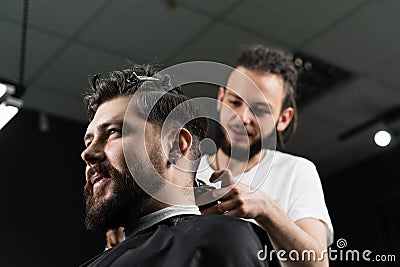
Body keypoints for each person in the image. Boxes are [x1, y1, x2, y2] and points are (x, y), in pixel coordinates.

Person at [80, 64, 280, 266]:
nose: (87, 153)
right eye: (88, 141)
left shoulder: (222, 239)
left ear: (177, 145)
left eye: (114, 132)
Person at [196, 45, 334, 266]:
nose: (242, 117)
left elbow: (317, 263)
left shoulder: (296, 171)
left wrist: (266, 210)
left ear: (283, 119)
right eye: (235, 102)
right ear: (220, 99)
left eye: (260, 109)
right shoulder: (182, 174)